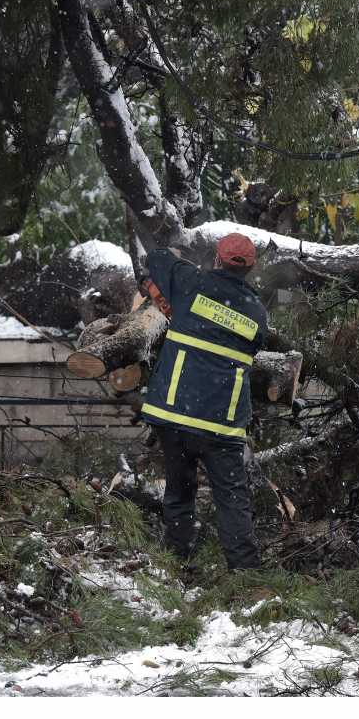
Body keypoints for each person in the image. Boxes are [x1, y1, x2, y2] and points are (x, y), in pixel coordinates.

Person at [139, 233, 269, 570]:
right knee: (231, 499)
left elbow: (156, 257)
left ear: (216, 259)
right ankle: (245, 574)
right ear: (250, 269)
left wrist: (175, 252)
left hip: (175, 413)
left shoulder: (189, 282)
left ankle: (179, 564)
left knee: (180, 493)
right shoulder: (256, 312)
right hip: (219, 424)